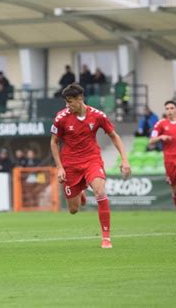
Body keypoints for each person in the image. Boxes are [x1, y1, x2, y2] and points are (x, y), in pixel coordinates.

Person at [50, 83, 130, 249]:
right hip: (70, 163)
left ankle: (106, 238)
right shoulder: (61, 117)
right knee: (73, 209)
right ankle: (80, 192)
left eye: (70, 101)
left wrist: (124, 160)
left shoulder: (98, 116)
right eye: (66, 102)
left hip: (91, 160)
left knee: (100, 191)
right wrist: (60, 167)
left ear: (80, 99)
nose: (67, 105)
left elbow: (114, 136)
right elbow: (54, 142)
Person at [149, 101, 176, 226]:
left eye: (171, 108)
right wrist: (161, 137)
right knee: (175, 191)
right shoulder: (160, 124)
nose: (169, 110)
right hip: (169, 161)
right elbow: (151, 140)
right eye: (167, 108)